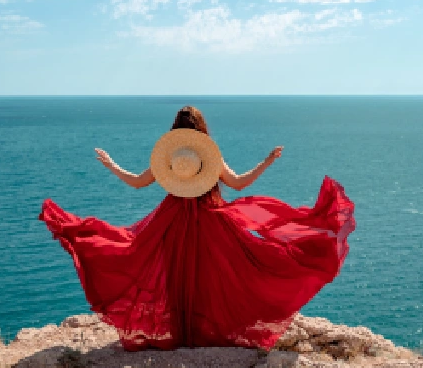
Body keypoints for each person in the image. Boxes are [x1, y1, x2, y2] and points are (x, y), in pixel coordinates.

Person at [39, 105, 355, 351]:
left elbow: (137, 182)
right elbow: (240, 182)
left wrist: (111, 165)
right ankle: (211, 332)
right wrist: (268, 160)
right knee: (229, 274)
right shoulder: (208, 157)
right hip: (212, 221)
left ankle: (182, 334)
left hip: (170, 223)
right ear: (201, 132)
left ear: (176, 133)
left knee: (168, 272)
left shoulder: (173, 158)